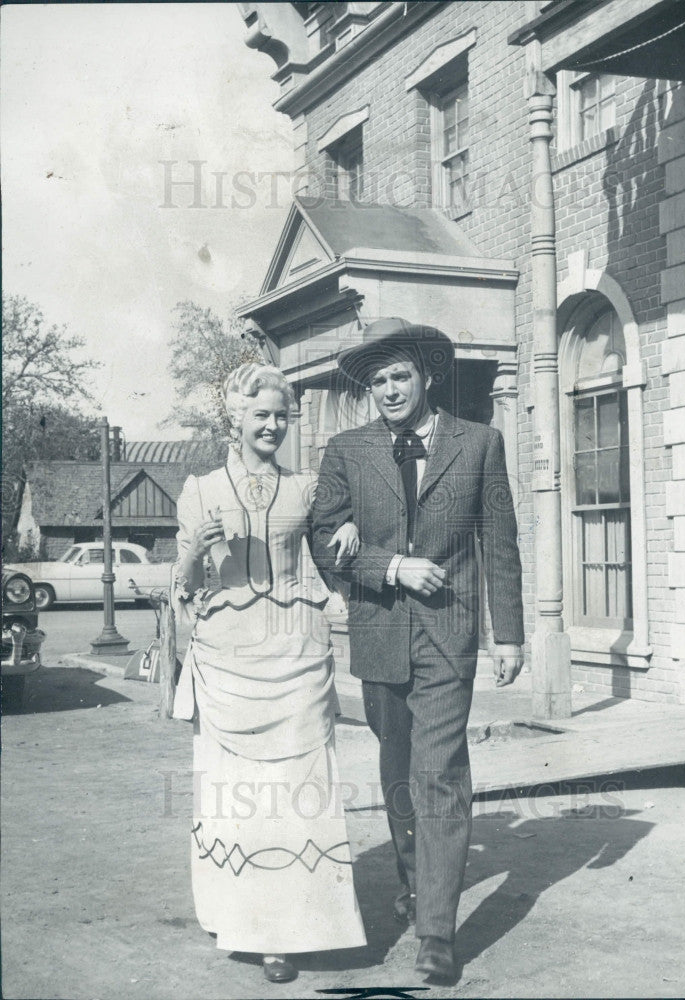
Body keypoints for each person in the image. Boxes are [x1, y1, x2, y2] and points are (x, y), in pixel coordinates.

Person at [312, 317, 524, 982]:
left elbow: (499, 541)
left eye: (399, 375)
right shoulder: (348, 450)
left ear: (425, 376)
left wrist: (508, 632)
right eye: (377, 381)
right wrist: (387, 566)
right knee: (397, 769)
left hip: (447, 636)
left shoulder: (481, 444)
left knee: (439, 775)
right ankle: (412, 877)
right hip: (378, 634)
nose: (389, 390)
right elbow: (323, 543)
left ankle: (436, 931)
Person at [171, 362, 366, 984]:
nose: (273, 425)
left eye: (282, 415)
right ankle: (245, 919)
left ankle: (292, 932)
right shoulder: (199, 490)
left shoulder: (306, 489)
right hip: (228, 662)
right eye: (262, 415)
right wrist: (196, 550)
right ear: (237, 418)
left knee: (297, 799)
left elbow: (331, 550)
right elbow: (183, 589)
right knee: (241, 803)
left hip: (296, 658)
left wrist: (353, 529)